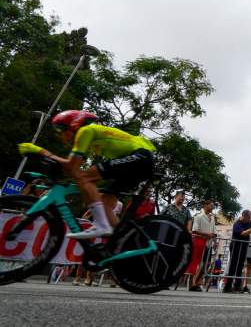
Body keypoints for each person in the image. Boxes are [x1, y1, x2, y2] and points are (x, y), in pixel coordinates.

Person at [17, 110, 156, 239]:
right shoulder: (89, 142)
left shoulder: (85, 131)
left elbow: (72, 166)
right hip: (137, 163)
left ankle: (101, 225)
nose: (58, 134)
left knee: (84, 177)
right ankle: (125, 240)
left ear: (72, 125)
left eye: (60, 129)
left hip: (140, 156)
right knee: (105, 203)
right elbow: (72, 169)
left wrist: (41, 151)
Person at [223, 209, 251, 293]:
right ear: (244, 216)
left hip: (244, 246)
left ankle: (237, 287)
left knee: (240, 267)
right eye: (249, 217)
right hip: (236, 246)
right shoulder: (237, 223)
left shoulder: (248, 222)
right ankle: (227, 287)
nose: (250, 219)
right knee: (233, 266)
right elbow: (243, 233)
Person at [187, 200, 216, 292]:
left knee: (206, 264)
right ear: (205, 206)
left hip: (209, 243)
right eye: (211, 205)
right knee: (195, 262)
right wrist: (207, 234)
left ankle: (197, 281)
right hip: (199, 241)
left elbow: (214, 231)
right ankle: (191, 282)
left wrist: (213, 237)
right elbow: (194, 230)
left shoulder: (212, 217)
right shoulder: (198, 216)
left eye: (213, 206)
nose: (212, 207)